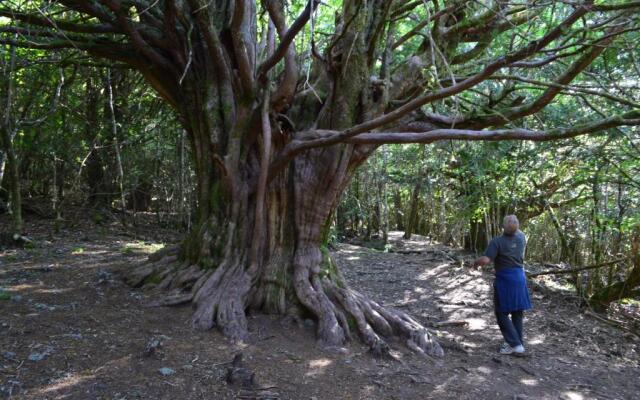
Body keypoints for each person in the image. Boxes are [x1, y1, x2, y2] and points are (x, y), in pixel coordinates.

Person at [473, 215, 531, 355]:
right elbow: (517, 229)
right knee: (517, 312)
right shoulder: (521, 238)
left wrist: (475, 262)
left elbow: (486, 260)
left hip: (506, 279)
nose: (514, 222)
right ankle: (518, 343)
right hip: (520, 278)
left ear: (503, 227)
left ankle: (515, 344)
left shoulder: (497, 241)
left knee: (501, 313)